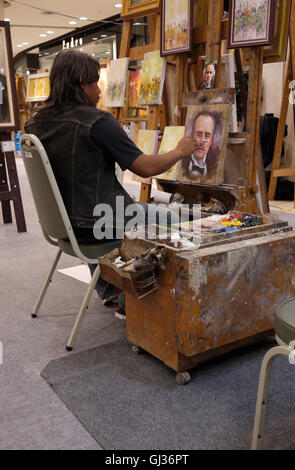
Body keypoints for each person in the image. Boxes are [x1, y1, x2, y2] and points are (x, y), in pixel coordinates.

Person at [25, 50, 197, 312]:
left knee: (126, 210)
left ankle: (109, 289)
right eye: (96, 83)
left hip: (65, 225)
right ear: (82, 80)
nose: (100, 92)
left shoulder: (36, 123)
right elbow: (144, 168)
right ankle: (137, 298)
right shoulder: (98, 121)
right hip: (101, 223)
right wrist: (180, 151)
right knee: (184, 219)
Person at [182, 111, 221, 181]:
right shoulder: (181, 164)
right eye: (199, 134)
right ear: (192, 135)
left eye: (207, 135)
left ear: (211, 141)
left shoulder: (215, 168)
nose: (202, 141)